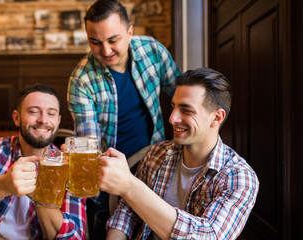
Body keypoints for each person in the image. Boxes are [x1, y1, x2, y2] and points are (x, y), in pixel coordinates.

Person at [98, 67, 259, 239]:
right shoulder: (157, 153)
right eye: (173, 106)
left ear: (217, 117)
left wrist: (130, 186)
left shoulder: (238, 176)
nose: (172, 118)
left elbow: (208, 236)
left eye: (186, 110)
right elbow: (127, 211)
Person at [67, 0, 181, 238]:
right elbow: (91, 145)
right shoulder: (81, 80)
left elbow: (180, 94)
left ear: (130, 32)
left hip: (156, 163)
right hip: (110, 173)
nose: (106, 51)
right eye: (95, 42)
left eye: (113, 40)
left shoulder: (153, 50)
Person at [0, 84, 86, 240]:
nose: (43, 120)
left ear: (58, 121)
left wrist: (42, 197)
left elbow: (74, 237)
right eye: (33, 112)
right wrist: (4, 184)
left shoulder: (69, 166)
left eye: (51, 114)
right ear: (17, 118)